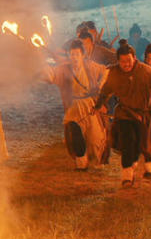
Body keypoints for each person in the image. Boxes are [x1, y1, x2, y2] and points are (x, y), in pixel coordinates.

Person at [94, 40, 151, 187]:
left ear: (134, 58)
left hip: (144, 114)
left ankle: (149, 169)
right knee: (128, 141)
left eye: (129, 61)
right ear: (118, 61)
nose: (126, 64)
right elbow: (106, 90)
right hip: (124, 114)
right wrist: (100, 104)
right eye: (122, 62)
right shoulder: (114, 72)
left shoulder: (145, 71)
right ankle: (127, 177)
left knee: (145, 142)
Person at [41, 39, 109, 170]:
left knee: (95, 138)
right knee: (75, 133)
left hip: (89, 106)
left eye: (77, 54)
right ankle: (81, 162)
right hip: (73, 106)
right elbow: (51, 77)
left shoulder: (90, 66)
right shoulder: (64, 68)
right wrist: (45, 67)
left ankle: (95, 160)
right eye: (72, 55)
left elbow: (106, 71)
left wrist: (100, 86)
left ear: (82, 55)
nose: (75, 58)